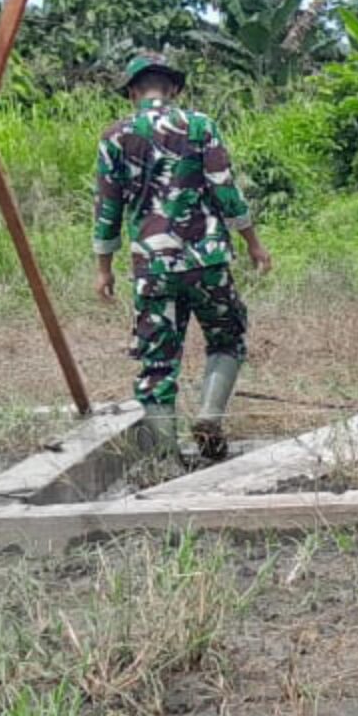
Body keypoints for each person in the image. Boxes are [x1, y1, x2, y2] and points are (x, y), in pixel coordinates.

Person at [91, 55, 271, 463]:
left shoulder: (114, 136)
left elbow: (107, 208)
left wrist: (103, 269)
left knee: (157, 361)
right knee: (227, 336)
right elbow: (226, 191)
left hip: (152, 267)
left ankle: (167, 459)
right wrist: (253, 244)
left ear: (134, 91)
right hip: (207, 260)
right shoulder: (200, 126)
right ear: (173, 89)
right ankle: (209, 414)